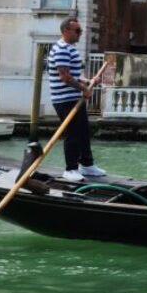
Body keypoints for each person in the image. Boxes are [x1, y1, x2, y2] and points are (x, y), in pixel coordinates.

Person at [47, 17, 105, 183]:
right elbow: (65, 76)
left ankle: (87, 165)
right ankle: (70, 169)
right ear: (66, 31)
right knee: (72, 133)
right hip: (64, 99)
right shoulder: (62, 49)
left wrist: (88, 81)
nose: (80, 34)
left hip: (73, 98)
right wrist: (84, 89)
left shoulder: (69, 48)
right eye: (77, 31)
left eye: (81, 30)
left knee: (83, 132)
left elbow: (74, 74)